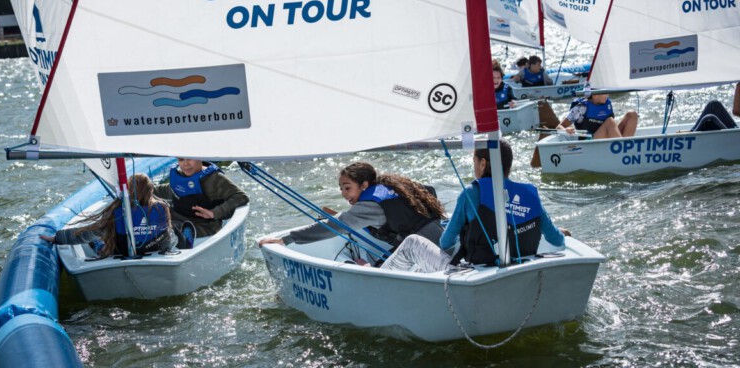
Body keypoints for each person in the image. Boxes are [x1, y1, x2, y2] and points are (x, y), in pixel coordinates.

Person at [380, 140, 568, 273]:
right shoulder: (530, 194)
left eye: (474, 162)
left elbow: (446, 243)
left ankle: (379, 279)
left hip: (479, 273)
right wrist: (560, 232)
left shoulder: (471, 192)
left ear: (483, 163)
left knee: (413, 242)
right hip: (522, 269)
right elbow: (556, 240)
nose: (474, 167)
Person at [259, 162, 446, 256]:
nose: (343, 193)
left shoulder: (372, 204)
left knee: (371, 270)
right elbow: (429, 191)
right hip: (442, 243)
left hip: (425, 252)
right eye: (341, 188)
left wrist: (285, 239)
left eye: (347, 187)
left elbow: (334, 227)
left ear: (364, 185)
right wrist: (343, 216)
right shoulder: (390, 188)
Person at [40, 173, 178, 257]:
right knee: (175, 234)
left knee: (96, 239)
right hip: (154, 251)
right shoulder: (162, 208)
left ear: (127, 191)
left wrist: (57, 238)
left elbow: (86, 233)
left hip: (122, 254)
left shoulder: (118, 211)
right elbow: (167, 237)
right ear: (151, 190)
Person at [154, 158, 249, 247]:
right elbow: (164, 190)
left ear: (200, 158)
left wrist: (214, 213)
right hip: (175, 220)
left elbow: (241, 197)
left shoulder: (214, 179)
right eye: (181, 159)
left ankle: (180, 238)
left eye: (190, 159)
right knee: (158, 223)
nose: (186, 164)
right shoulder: (179, 176)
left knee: (173, 230)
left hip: (203, 226)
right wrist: (142, 185)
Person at [556, 91, 638, 139]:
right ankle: (622, 150)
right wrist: (566, 130)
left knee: (632, 115)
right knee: (610, 121)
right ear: (595, 95)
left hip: (605, 138)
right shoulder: (581, 108)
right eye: (604, 93)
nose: (607, 95)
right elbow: (559, 127)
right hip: (590, 141)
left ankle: (625, 148)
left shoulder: (606, 103)